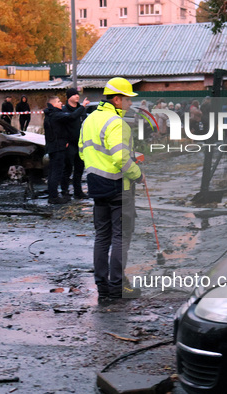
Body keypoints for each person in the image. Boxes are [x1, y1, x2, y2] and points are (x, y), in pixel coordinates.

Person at [79, 77, 143, 301]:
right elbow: (120, 157)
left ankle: (103, 288)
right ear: (117, 99)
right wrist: (138, 173)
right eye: (127, 100)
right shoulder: (117, 123)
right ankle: (117, 287)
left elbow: (82, 152)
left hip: (97, 186)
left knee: (102, 237)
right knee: (121, 238)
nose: (130, 104)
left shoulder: (89, 120)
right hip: (119, 186)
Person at [44, 95, 89, 204]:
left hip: (55, 147)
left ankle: (53, 195)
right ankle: (54, 197)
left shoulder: (50, 114)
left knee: (53, 172)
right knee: (57, 172)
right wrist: (83, 106)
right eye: (59, 102)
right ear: (53, 104)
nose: (61, 104)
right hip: (58, 148)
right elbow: (72, 117)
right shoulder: (55, 115)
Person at [61, 88, 88, 199]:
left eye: (78, 94)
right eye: (74, 95)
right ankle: (65, 191)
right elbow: (64, 124)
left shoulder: (81, 110)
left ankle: (78, 191)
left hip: (80, 144)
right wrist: (65, 140)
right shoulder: (64, 110)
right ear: (69, 97)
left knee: (79, 168)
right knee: (67, 169)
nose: (77, 96)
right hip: (69, 143)